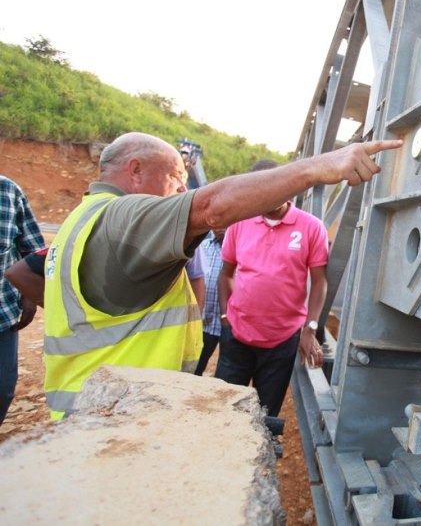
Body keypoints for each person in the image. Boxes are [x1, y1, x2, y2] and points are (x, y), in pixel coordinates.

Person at [43, 132, 400, 419]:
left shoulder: (84, 217)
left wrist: (307, 327)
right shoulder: (123, 217)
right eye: (176, 177)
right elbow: (210, 209)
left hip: (100, 403)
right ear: (135, 170)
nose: (183, 188)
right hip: (114, 413)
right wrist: (317, 168)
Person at [214, 159, 328, 417]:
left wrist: (310, 329)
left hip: (281, 342)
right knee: (223, 411)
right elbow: (226, 274)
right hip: (237, 337)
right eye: (263, 188)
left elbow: (320, 281)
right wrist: (224, 318)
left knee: (265, 416)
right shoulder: (239, 223)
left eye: (276, 185)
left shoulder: (311, 227)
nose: (271, 193)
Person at [0, 177, 45, 425]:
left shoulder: (7, 191)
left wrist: (29, 297)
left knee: (3, 388)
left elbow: (32, 247)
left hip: (2, 318)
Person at [194, 227, 225, 376]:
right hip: (204, 322)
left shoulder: (241, 248)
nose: (220, 227)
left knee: (226, 375)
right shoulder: (201, 247)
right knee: (195, 368)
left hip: (228, 324)